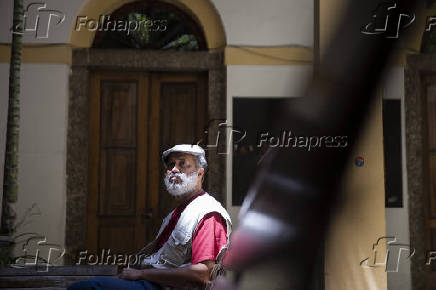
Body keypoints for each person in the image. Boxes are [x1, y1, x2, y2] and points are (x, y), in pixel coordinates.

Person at [68, 144, 232, 290]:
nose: (174, 169)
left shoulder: (208, 214)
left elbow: (202, 275)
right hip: (148, 282)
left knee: (86, 287)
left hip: (158, 285)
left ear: (199, 173)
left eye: (182, 164)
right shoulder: (179, 211)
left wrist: (142, 274)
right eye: (171, 165)